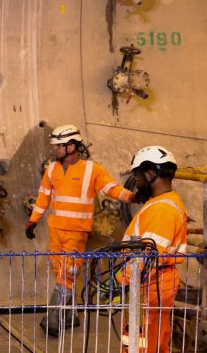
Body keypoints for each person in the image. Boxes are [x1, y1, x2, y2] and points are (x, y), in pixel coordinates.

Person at [25, 124, 138, 336]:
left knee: (67, 274)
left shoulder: (92, 169)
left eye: (59, 146)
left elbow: (110, 188)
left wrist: (131, 196)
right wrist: (33, 221)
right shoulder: (52, 169)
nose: (55, 149)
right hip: (55, 230)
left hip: (76, 232)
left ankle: (53, 318)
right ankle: (71, 317)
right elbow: (43, 197)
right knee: (59, 271)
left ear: (72, 146)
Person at [120, 145, 187, 353]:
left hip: (149, 290)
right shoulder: (163, 204)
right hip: (156, 287)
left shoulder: (162, 211)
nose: (135, 181)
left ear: (150, 173)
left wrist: (118, 281)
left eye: (137, 175)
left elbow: (145, 260)